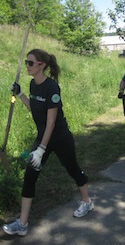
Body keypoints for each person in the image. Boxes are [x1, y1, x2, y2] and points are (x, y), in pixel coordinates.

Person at [2, 49, 93, 237]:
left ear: (41, 65)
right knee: (30, 176)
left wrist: (41, 149)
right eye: (26, 62)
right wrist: (20, 95)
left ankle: (87, 201)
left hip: (59, 138)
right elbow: (34, 110)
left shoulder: (52, 87)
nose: (27, 66)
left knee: (72, 168)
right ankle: (23, 222)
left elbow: (51, 122)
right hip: (43, 136)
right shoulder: (33, 85)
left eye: (30, 63)